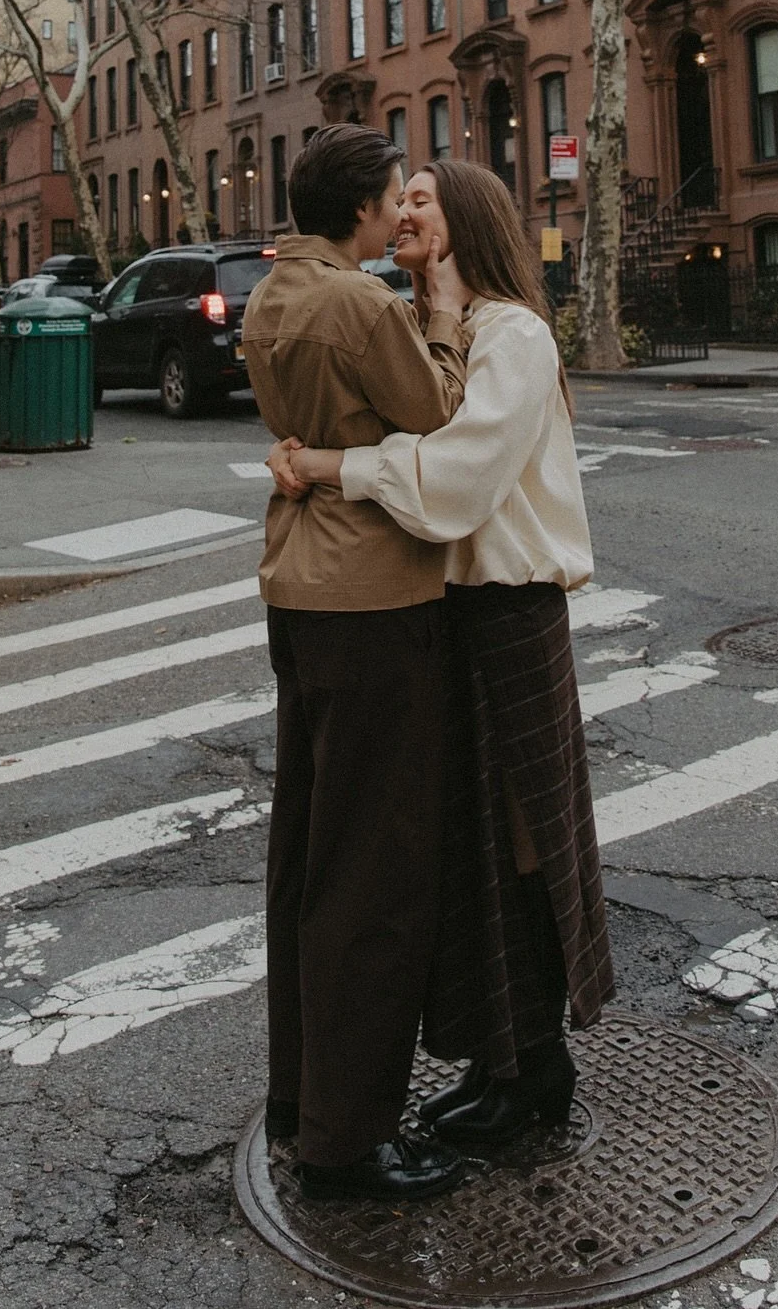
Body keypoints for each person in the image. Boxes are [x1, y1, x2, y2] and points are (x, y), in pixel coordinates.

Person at [269, 159, 614, 1151]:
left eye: (422, 197)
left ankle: (535, 1062)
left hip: (507, 611)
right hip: (430, 610)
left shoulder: (514, 335)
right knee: (459, 849)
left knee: (521, 842)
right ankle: (498, 1060)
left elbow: (457, 481)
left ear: (467, 219)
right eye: (399, 197)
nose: (403, 209)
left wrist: (334, 467)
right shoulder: (413, 332)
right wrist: (298, 447)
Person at [240, 125, 473, 1203]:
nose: (399, 213)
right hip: (374, 592)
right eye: (390, 196)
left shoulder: (270, 296)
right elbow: (434, 412)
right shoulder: (364, 302)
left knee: (307, 847)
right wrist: (437, 312)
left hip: (297, 584)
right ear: (360, 209)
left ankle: (301, 1092)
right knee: (374, 866)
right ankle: (347, 1138)